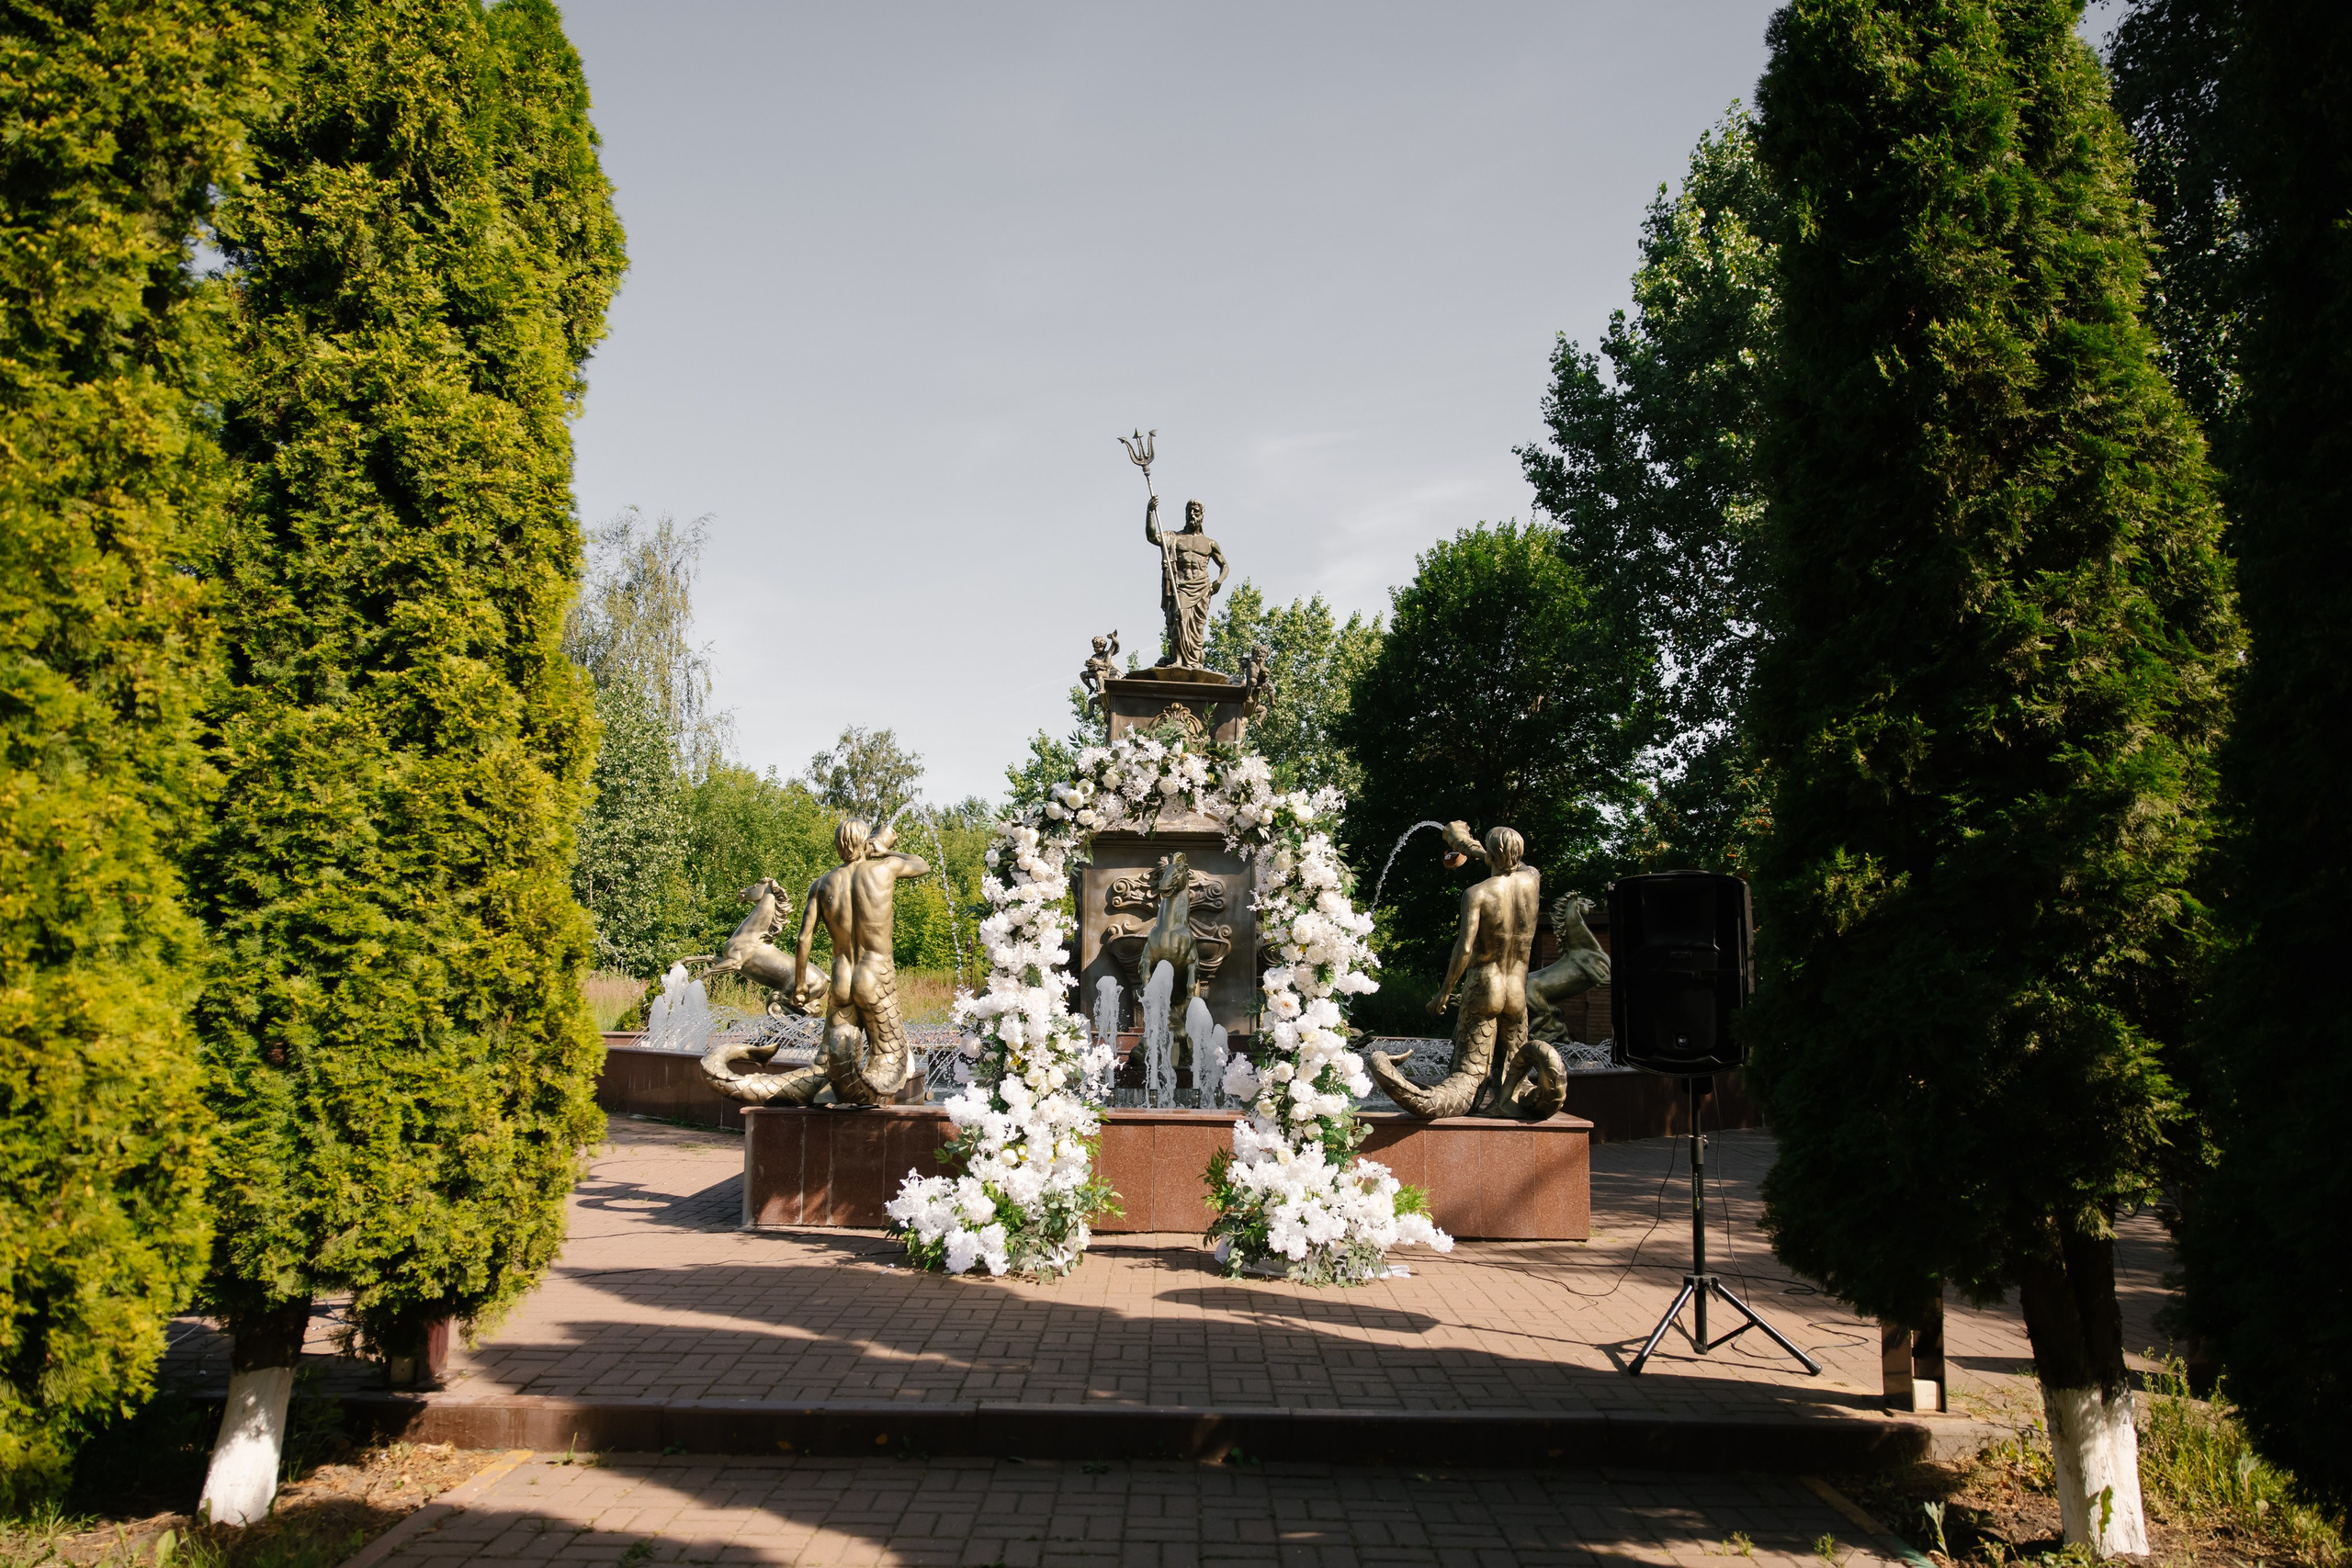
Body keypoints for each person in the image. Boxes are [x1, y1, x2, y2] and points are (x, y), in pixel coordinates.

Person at [790, 818, 930, 1104]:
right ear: (865, 841)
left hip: (841, 976)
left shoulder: (822, 884)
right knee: (889, 1057)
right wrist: (886, 850)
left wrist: (801, 985)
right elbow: (922, 864)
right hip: (875, 975)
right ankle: (870, 1108)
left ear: (838, 845)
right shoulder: (884, 869)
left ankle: (828, 1094)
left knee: (827, 1062)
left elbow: (804, 939)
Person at [1144, 495, 1228, 671]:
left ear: (1202, 515)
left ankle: (1195, 660)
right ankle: (1179, 659)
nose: (1192, 514)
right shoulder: (1174, 537)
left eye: (1195, 511)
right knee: (1179, 617)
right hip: (1180, 586)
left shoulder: (1209, 543)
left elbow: (1225, 566)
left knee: (1196, 628)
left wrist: (1218, 582)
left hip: (1202, 587)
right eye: (1189, 511)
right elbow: (1152, 537)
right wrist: (1150, 512)